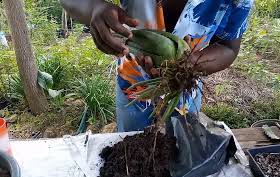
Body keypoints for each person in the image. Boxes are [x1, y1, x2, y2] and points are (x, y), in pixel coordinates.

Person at [60, 0, 253, 132]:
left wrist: (189, 66)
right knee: (131, 154)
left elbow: (229, 47)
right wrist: (93, 7)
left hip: (185, 92)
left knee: (181, 154)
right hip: (133, 88)